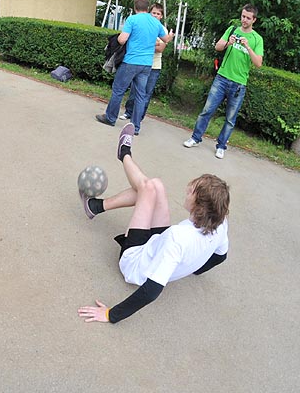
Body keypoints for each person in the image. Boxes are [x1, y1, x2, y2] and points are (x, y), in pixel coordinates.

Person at [77, 123, 230, 324]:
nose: (187, 189)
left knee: (147, 188)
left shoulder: (178, 238)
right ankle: (95, 206)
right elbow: (220, 256)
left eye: (191, 190)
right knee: (156, 185)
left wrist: (110, 315)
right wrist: (196, 268)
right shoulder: (221, 222)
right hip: (157, 245)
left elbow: (151, 291)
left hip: (135, 263)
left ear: (199, 205)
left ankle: (124, 154)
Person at [183, 4, 264, 159]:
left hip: (239, 83)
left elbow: (258, 63)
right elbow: (217, 47)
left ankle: (221, 146)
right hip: (222, 78)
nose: (244, 20)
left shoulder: (257, 39)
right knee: (207, 110)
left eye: (248, 18)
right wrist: (228, 43)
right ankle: (195, 138)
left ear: (254, 20)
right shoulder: (232, 30)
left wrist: (248, 47)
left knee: (230, 119)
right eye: (243, 16)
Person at [95, 0, 167, 135]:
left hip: (131, 61)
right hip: (147, 64)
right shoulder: (156, 22)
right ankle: (135, 127)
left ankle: (110, 118)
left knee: (118, 90)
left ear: (135, 7)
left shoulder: (132, 19)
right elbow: (164, 39)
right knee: (141, 95)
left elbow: (122, 40)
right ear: (147, 8)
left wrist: (118, 39)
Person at [120, 3, 174, 121]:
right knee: (134, 91)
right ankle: (128, 112)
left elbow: (160, 49)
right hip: (141, 63)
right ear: (149, 13)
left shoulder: (162, 29)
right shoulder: (144, 24)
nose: (155, 15)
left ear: (161, 16)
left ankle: (138, 117)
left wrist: (144, 44)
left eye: (158, 14)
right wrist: (151, 44)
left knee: (146, 93)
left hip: (154, 66)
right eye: (153, 13)